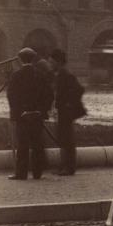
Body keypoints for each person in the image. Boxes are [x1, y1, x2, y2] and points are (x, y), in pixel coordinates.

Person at [7, 48, 54, 180]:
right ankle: (37, 173)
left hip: (22, 116)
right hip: (37, 115)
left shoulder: (16, 75)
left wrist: (19, 112)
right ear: (33, 59)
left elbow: (11, 96)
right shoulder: (41, 75)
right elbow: (49, 95)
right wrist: (42, 110)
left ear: (21, 60)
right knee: (37, 144)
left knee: (22, 145)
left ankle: (21, 173)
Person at [48, 48, 86, 176]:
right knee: (62, 138)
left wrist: (69, 104)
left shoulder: (66, 76)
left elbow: (80, 90)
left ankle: (69, 167)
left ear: (59, 62)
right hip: (62, 112)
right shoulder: (60, 75)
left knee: (67, 139)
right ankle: (64, 165)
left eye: (52, 62)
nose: (50, 65)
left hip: (66, 113)